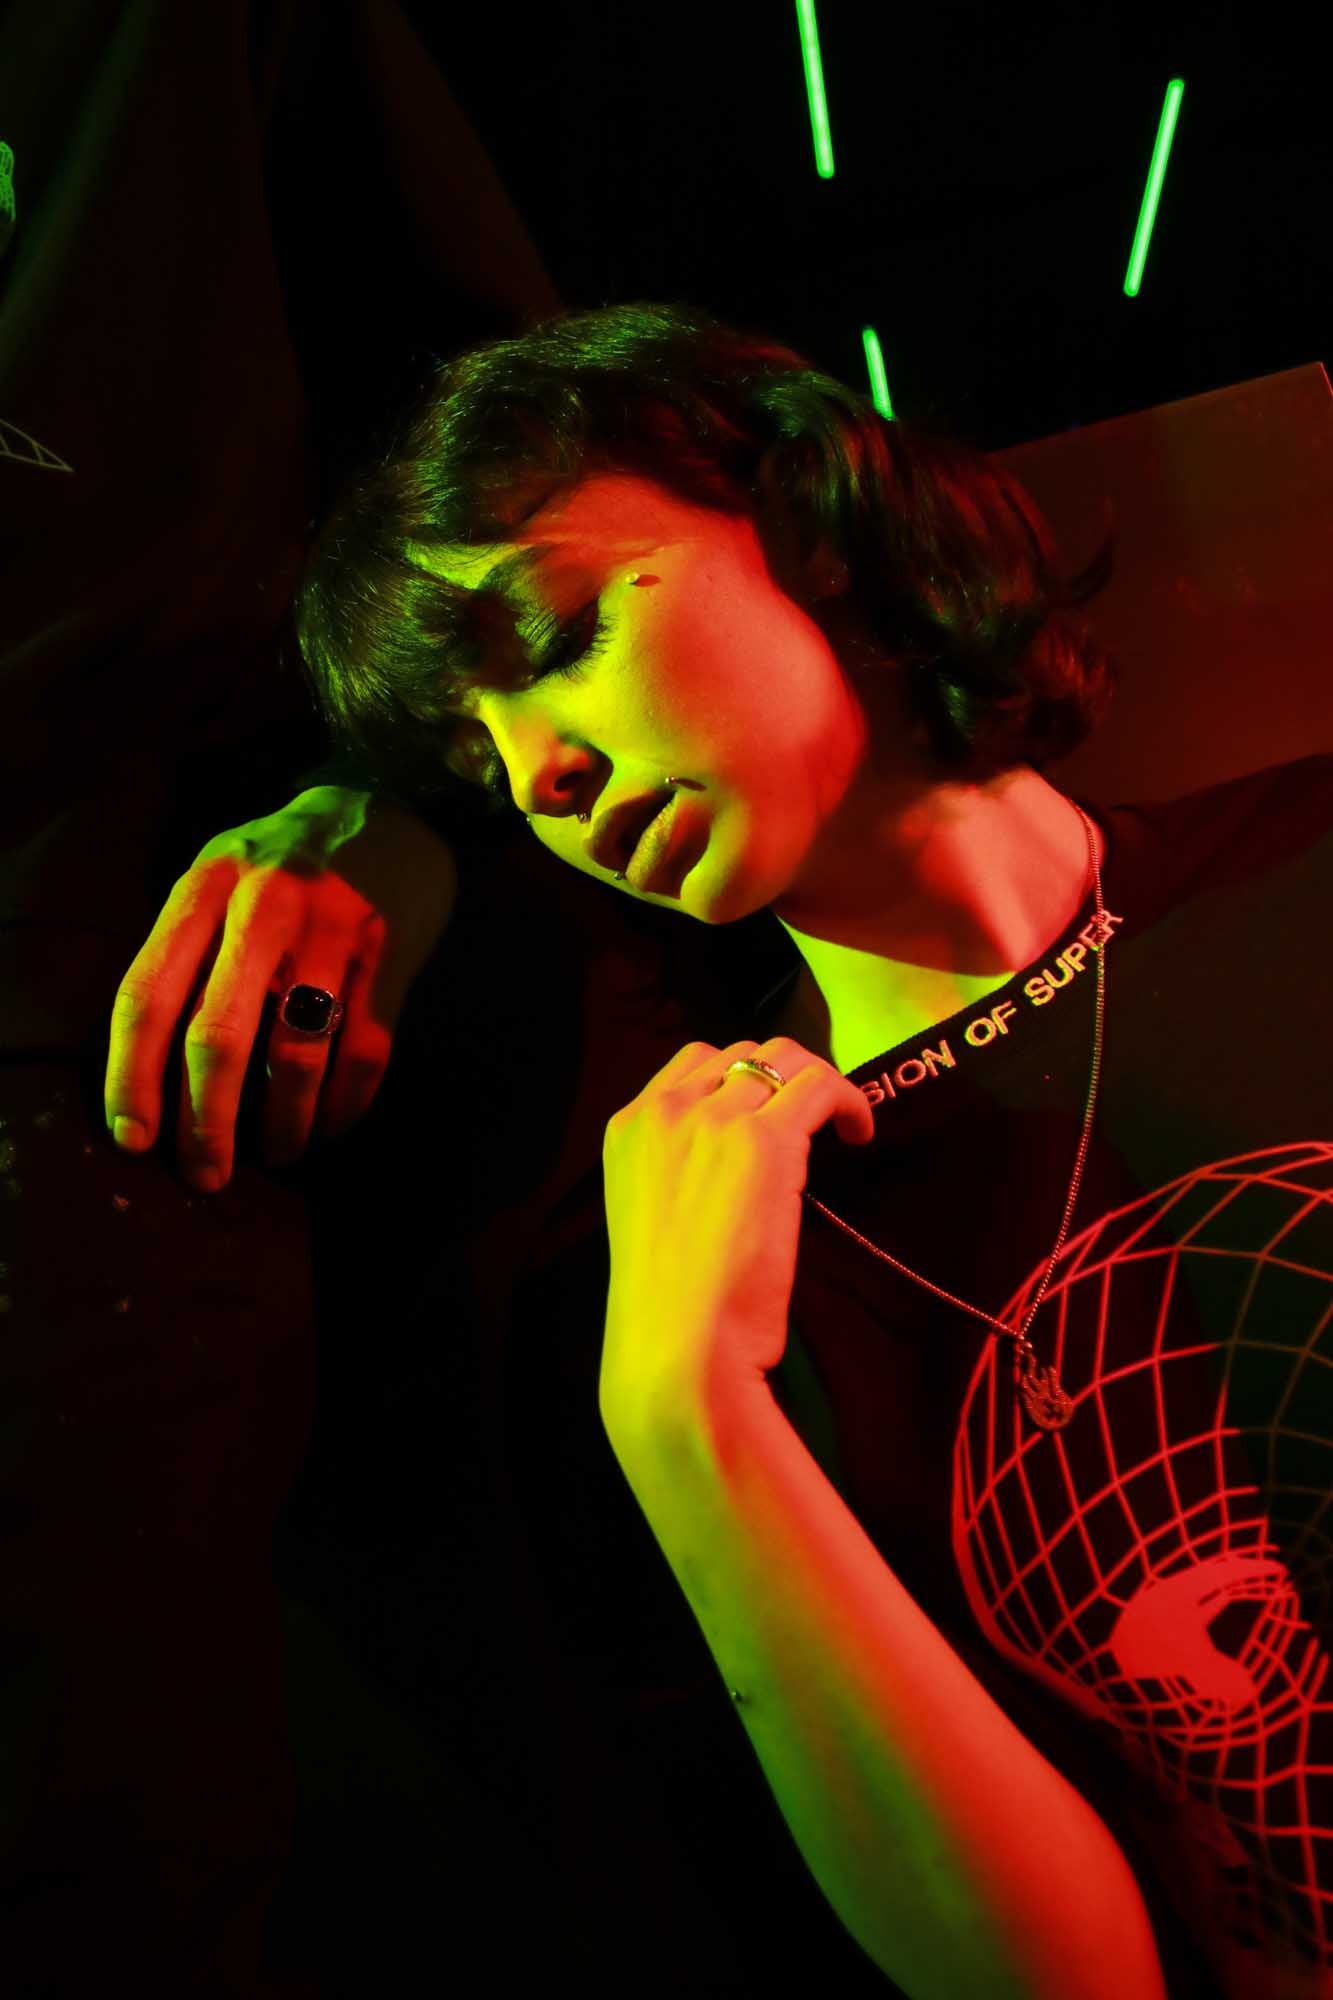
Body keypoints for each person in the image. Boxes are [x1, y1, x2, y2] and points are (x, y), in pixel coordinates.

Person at [106, 299, 1333, 1997]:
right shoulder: (711, 1237)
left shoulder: (1303, 863)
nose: (541, 769)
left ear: (807, 520)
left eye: (553, 635)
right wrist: (682, 1420)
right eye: (480, 761)